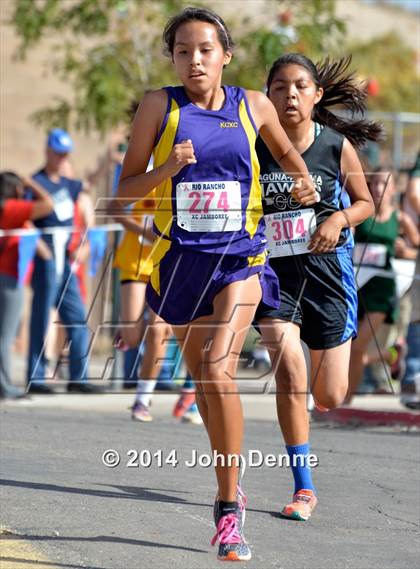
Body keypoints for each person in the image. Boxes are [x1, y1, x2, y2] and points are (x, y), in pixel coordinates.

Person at [112, 7, 318, 562]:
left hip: (242, 259)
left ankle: (228, 510)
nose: (194, 60)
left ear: (225, 55)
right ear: (172, 58)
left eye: (205, 50)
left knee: (218, 368)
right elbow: (127, 187)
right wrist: (167, 170)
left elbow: (285, 150)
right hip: (182, 260)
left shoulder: (252, 104)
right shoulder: (161, 106)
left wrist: (301, 183)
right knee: (206, 384)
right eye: (183, 51)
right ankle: (232, 480)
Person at [254, 53, 381, 521]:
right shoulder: (256, 145)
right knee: (289, 371)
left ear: (316, 95)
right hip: (275, 277)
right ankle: (304, 488)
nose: (290, 95)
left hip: (329, 279)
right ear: (268, 95)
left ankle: (310, 399)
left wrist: (339, 220)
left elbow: (367, 203)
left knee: (329, 395)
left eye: (300, 87)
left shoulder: (334, 145)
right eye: (281, 87)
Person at [26, 128, 102, 394]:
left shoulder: (69, 185)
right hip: (47, 256)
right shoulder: (36, 182)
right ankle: (35, 377)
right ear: (48, 152)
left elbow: (89, 185)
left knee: (77, 318)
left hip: (68, 259)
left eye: (65, 155)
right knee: (41, 318)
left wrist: (108, 162)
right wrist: (39, 247)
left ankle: (78, 377)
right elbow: (24, 217)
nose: (61, 159)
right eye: (57, 153)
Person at [348, 167, 419, 401]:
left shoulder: (399, 218)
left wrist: (406, 251)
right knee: (349, 347)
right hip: (357, 286)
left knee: (357, 347)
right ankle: (390, 355)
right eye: (374, 184)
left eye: (383, 185)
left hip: (382, 291)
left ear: (393, 190)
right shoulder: (361, 212)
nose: (378, 189)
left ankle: (345, 400)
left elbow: (415, 248)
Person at [0, 171, 54, 399]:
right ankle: (4, 385)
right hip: (9, 278)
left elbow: (42, 248)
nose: (25, 192)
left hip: (9, 276)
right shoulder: (11, 207)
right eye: (21, 188)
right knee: (6, 335)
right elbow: (48, 205)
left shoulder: (13, 214)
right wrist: (30, 181)